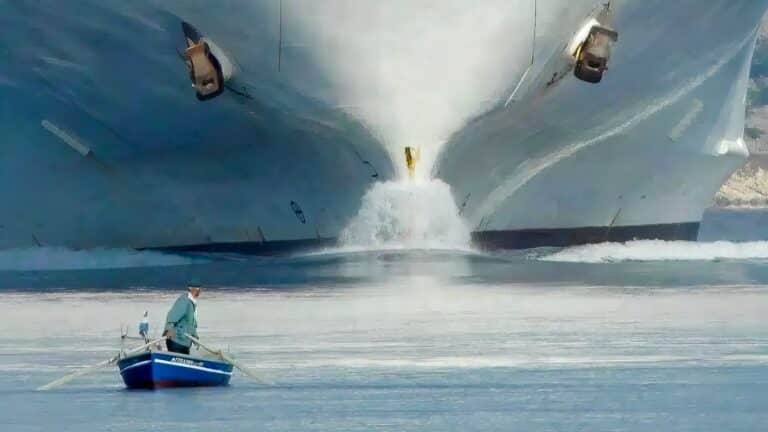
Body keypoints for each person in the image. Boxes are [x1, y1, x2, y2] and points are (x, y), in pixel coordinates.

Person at [163, 282, 201, 355]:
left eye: (199, 289)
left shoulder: (192, 303)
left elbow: (191, 324)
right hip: (177, 341)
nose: (199, 291)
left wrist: (195, 337)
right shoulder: (184, 300)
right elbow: (172, 315)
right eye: (197, 289)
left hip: (185, 343)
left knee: (185, 359)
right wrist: (169, 329)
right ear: (192, 289)